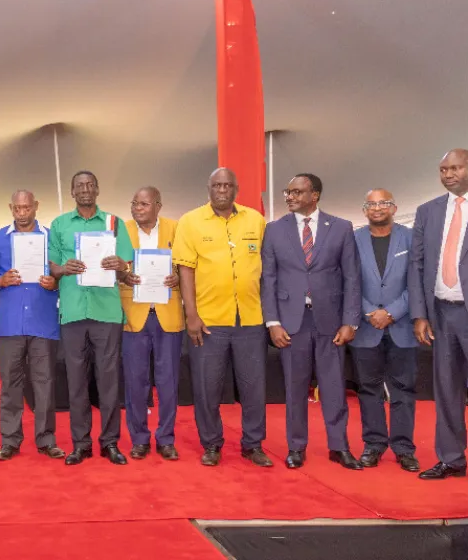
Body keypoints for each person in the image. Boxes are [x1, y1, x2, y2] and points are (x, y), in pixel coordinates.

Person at [408, 149, 468, 496]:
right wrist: (420, 313)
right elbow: (417, 265)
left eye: (456, 168)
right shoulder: (428, 211)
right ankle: (451, 459)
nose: (449, 174)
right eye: (443, 169)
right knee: (447, 392)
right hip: (441, 315)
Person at [172, 169, 271, 468]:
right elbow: (185, 270)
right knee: (207, 387)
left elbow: (268, 269)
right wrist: (191, 315)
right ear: (209, 188)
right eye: (217, 185)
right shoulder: (190, 221)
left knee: (254, 387)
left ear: (236, 189)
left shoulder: (256, 220)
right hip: (208, 321)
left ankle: (253, 444)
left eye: (228, 185)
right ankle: (211, 444)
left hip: (251, 319)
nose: (222, 190)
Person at [262, 174, 362, 470]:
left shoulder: (341, 227)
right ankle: (296, 447)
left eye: (296, 192)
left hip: (331, 322)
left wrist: (350, 321)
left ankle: (339, 447)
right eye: (288, 192)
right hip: (291, 322)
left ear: (314, 195)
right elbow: (268, 278)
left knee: (334, 388)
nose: (289, 197)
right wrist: (272, 322)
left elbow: (352, 277)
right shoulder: (274, 229)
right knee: (295, 388)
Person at [48, 171, 133, 466]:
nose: (85, 189)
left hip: (106, 312)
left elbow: (127, 270)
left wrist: (122, 265)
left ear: (97, 189)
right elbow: (51, 266)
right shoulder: (59, 224)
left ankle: (110, 442)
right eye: (79, 186)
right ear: (72, 192)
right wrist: (63, 269)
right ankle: (80, 444)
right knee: (76, 382)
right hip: (73, 312)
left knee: (109, 381)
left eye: (89, 185)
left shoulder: (114, 223)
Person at [0, 190, 65, 462]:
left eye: (26, 207)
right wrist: (0, 280)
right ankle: (10, 440)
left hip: (43, 322)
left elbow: (62, 273)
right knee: (10, 383)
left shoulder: (52, 237)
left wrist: (56, 282)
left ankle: (46, 439)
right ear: (11, 208)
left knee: (45, 383)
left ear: (36, 206)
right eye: (17, 208)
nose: (22, 212)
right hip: (10, 324)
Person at [351, 188, 419, 472]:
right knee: (369, 389)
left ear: (394, 207)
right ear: (364, 210)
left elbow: (418, 280)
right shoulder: (353, 239)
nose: (377, 208)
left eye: (384, 203)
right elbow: (348, 281)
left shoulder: (411, 237)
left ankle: (404, 448)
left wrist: (392, 312)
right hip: (366, 327)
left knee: (404, 389)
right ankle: (374, 444)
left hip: (402, 325)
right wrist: (370, 312)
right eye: (372, 204)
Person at [119, 187, 184, 461]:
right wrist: (123, 275)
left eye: (144, 204)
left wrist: (178, 277)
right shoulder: (121, 230)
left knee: (169, 382)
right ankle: (139, 439)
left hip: (168, 314)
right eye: (134, 203)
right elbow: (112, 267)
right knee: (136, 382)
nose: (137, 208)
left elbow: (186, 265)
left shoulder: (176, 228)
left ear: (158, 205)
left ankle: (166, 439)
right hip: (134, 315)